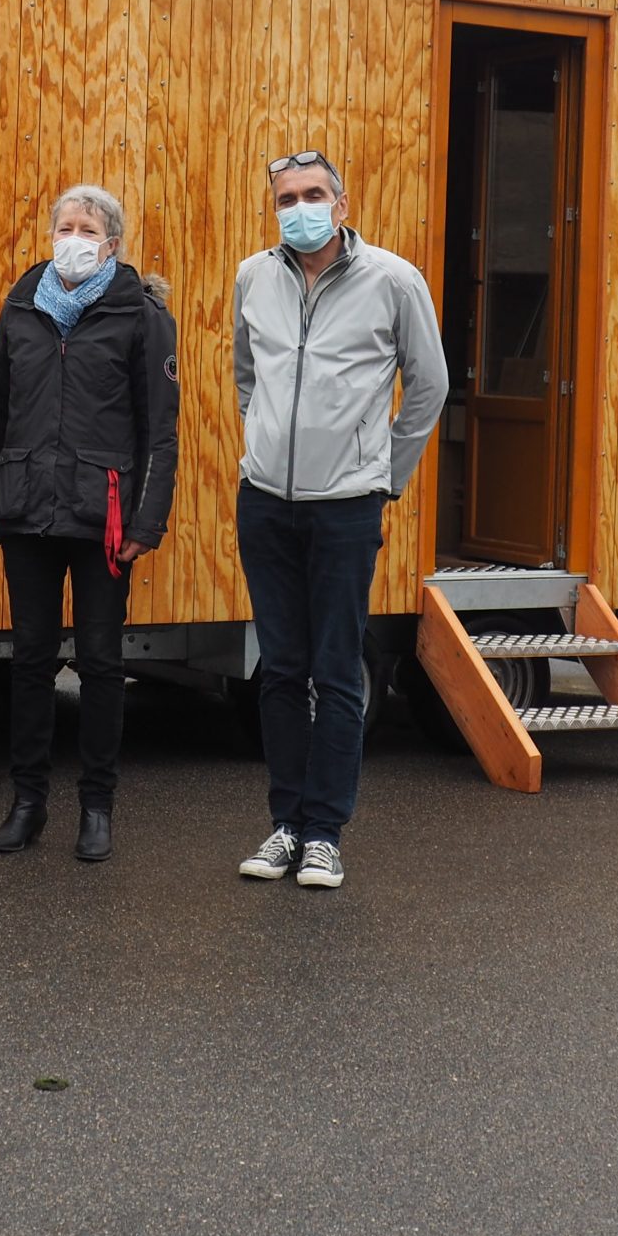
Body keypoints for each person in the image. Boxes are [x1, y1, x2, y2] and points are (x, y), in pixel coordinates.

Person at [231, 149, 447, 890]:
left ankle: (325, 831)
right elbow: (246, 376)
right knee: (281, 671)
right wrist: (259, 442)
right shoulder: (253, 276)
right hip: (264, 503)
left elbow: (430, 384)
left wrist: (384, 475)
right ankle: (285, 824)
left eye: (313, 193)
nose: (300, 207)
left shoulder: (393, 279)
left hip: (348, 507)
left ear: (342, 203)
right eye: (286, 197)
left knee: (337, 670)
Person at [0, 184, 177, 863]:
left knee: (100, 663)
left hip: (104, 515)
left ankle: (96, 808)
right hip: (26, 507)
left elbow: (160, 431)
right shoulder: (22, 304)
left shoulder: (141, 316)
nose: (74, 238)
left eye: (88, 229)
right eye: (65, 226)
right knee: (29, 662)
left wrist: (149, 517)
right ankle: (27, 804)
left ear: (112, 244)